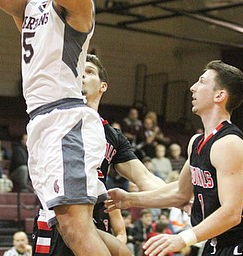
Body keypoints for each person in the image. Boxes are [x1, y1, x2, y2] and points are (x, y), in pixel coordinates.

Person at [0, 1, 121, 255]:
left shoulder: (75, 9)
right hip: (40, 123)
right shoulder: (30, 7)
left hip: (65, 120)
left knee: (75, 227)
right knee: (68, 227)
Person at [105, 60, 243, 255]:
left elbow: (231, 214)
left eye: (201, 82)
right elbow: (180, 192)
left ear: (220, 95)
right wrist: (130, 200)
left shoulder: (228, 144)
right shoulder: (197, 142)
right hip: (216, 241)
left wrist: (182, 238)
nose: (193, 88)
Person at [32, 54, 165, 255]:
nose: (82, 76)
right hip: (59, 215)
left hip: (95, 216)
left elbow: (144, 178)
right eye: (78, 73)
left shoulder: (112, 135)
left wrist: (179, 197)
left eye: (89, 72)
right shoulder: (57, 122)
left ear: (103, 86)